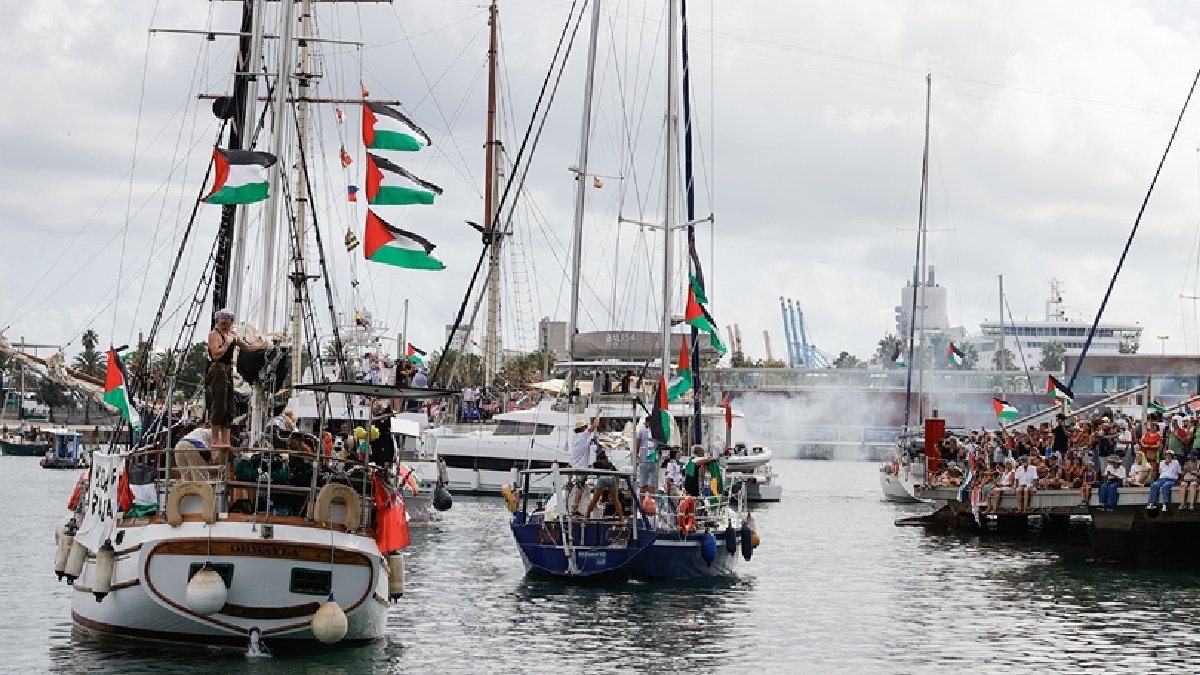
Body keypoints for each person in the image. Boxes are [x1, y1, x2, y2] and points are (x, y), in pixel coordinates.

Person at [206, 308, 265, 448]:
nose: (224, 321)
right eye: (222, 318)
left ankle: (225, 440)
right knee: (219, 404)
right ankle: (215, 439)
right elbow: (216, 354)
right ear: (218, 319)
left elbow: (247, 347)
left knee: (229, 406)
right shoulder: (214, 335)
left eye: (227, 318)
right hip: (217, 368)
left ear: (231, 321)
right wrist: (227, 343)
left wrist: (262, 346)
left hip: (227, 370)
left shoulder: (233, 335)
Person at [569, 410, 601, 515]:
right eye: (585, 427)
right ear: (582, 429)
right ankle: (575, 509)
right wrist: (598, 414)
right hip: (581, 467)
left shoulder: (574, 438)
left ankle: (576, 507)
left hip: (576, 465)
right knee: (580, 487)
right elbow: (595, 425)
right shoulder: (583, 435)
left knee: (581, 486)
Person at [583, 449, 625, 521]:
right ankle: (621, 518)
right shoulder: (610, 464)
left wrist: (583, 479)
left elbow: (589, 471)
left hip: (602, 478)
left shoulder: (596, 463)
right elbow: (617, 475)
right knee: (616, 501)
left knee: (595, 499)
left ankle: (587, 516)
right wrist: (617, 487)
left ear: (598, 458)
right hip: (612, 478)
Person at [634, 417, 658, 499]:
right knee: (653, 485)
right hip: (653, 460)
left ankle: (641, 505)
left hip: (643, 461)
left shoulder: (641, 432)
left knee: (642, 484)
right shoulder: (657, 433)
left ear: (647, 422)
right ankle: (652, 504)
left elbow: (637, 445)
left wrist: (637, 456)